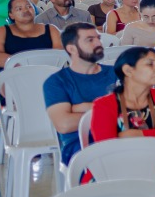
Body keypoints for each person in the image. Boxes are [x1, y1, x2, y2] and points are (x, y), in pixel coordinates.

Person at [43, 22, 116, 163]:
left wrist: (81, 108)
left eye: (98, 38)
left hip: (121, 138)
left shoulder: (116, 73)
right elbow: (64, 124)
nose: (98, 43)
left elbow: (134, 111)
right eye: (90, 40)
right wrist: (109, 109)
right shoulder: (57, 82)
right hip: (80, 146)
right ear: (72, 49)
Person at [88, 45, 155, 146]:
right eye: (150, 64)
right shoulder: (104, 104)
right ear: (128, 70)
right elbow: (107, 146)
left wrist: (135, 134)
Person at [0, 0, 63, 67]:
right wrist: (23, 66)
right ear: (11, 15)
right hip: (13, 75)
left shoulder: (51, 29)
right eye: (19, 8)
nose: (25, 10)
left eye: (29, 6)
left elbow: (60, 55)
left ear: (34, 10)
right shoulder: (2, 31)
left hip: (47, 74)